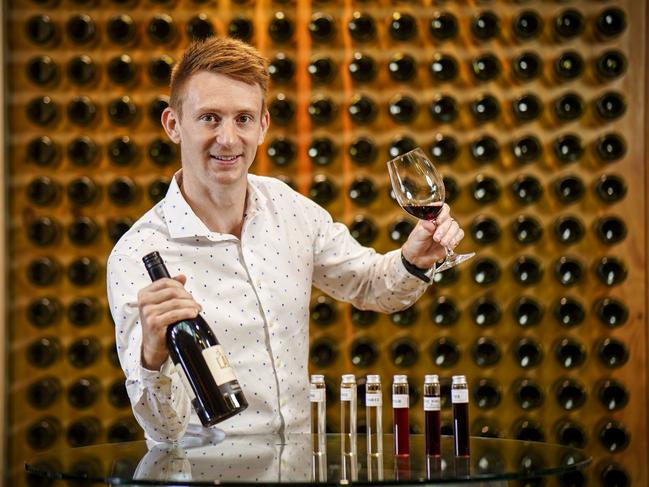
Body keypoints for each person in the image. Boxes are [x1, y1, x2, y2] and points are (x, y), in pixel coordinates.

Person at [107, 37, 466, 443]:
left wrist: (412, 259)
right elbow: (163, 430)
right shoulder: (138, 255)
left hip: (296, 468)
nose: (228, 139)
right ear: (174, 125)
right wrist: (151, 358)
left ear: (262, 127)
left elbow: (370, 286)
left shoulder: (291, 211)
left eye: (243, 118)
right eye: (209, 118)